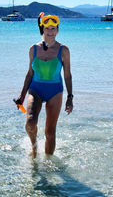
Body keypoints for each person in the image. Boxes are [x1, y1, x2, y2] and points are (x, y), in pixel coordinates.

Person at [15, 13, 73, 157]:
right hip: (36, 90)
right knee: (30, 122)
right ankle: (34, 149)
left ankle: (48, 163)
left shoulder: (63, 50)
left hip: (55, 91)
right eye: (47, 28)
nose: (50, 32)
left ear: (58, 30)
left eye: (53, 28)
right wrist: (22, 96)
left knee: (50, 132)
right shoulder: (33, 49)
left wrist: (70, 98)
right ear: (42, 29)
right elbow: (29, 74)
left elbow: (67, 75)